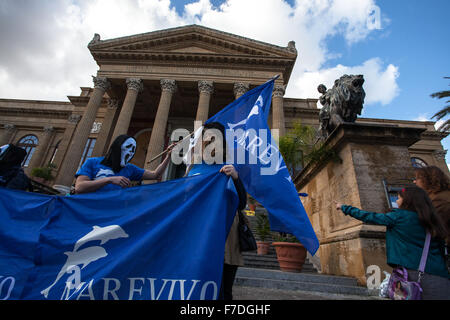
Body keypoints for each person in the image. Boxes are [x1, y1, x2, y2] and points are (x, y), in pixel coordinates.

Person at [335, 186, 449, 299]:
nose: (396, 201)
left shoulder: (399, 217)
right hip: (441, 279)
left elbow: (369, 217)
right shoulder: (433, 221)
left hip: (411, 277)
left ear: (407, 200)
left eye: (398, 198)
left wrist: (344, 207)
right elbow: (441, 251)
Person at [185, 122, 247, 300]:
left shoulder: (228, 168)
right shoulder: (193, 169)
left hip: (226, 235)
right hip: (196, 233)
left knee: (222, 291)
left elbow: (241, 203)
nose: (210, 142)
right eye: (207, 138)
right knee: (196, 287)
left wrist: (235, 177)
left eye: (215, 138)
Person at [74, 134, 174, 194]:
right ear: (117, 146)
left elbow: (155, 175)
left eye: (133, 150)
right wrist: (109, 179)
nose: (131, 152)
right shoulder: (93, 162)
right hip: (89, 210)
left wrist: (168, 156)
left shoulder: (129, 169)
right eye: (128, 147)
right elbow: (79, 187)